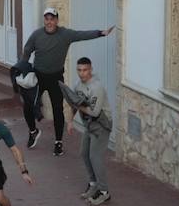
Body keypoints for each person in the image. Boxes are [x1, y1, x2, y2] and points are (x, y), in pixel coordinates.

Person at [17, 8, 115, 156]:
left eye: (52, 19)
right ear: (44, 20)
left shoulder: (65, 34)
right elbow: (27, 50)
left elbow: (81, 35)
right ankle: (33, 131)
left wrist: (101, 33)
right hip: (38, 76)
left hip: (56, 78)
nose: (49, 22)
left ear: (57, 20)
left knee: (58, 109)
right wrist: (23, 67)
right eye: (47, 19)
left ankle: (58, 142)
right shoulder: (37, 35)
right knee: (28, 104)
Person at [63, 56, 112, 205]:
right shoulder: (79, 85)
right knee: (84, 154)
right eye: (79, 70)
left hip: (101, 126)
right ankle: (93, 184)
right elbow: (74, 103)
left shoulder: (96, 87)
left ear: (90, 69)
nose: (82, 73)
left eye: (85, 70)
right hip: (89, 126)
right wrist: (70, 121)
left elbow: (94, 112)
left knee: (95, 157)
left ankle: (104, 192)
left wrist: (78, 106)